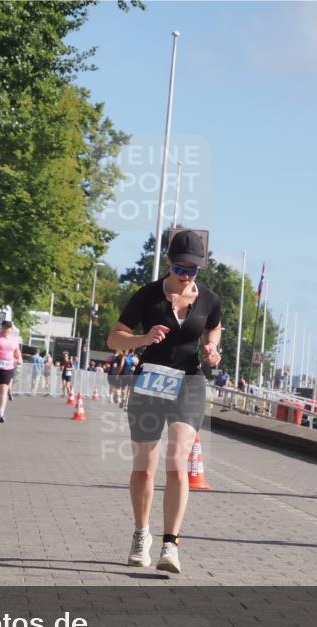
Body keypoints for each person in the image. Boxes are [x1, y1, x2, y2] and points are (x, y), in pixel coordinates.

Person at [107, 229, 222, 574]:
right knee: (144, 468)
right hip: (150, 383)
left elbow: (214, 327)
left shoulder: (208, 299)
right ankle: (142, 535)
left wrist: (213, 348)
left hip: (189, 383)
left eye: (194, 271)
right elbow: (114, 339)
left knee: (177, 461)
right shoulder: (147, 296)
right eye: (181, 269)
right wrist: (143, 337)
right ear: (170, 263)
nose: (187, 277)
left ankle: (170, 545)